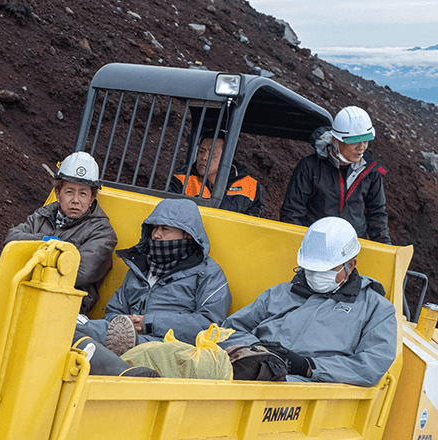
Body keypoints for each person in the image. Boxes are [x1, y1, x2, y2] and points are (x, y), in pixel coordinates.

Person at [222, 217, 397, 386]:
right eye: (310, 268)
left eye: (326, 269)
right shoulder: (280, 293)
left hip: (308, 391)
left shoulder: (376, 309)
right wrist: (257, 350)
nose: (315, 275)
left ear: (350, 265)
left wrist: (307, 367)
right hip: (251, 373)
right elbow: (229, 329)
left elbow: (371, 366)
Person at [75, 198, 231, 354]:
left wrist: (149, 324)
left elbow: (210, 325)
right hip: (122, 338)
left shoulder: (209, 273)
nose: (156, 235)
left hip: (170, 348)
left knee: (84, 334)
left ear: (188, 234)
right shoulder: (140, 267)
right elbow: (113, 311)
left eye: (165, 229)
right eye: (154, 228)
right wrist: (123, 325)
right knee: (79, 329)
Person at [4, 151, 117, 313]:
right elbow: (11, 240)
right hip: (21, 287)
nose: (76, 200)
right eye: (69, 191)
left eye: (83, 193)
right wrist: (50, 241)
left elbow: (78, 273)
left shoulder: (103, 233)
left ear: (92, 198)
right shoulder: (43, 215)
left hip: (62, 305)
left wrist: (33, 249)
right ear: (58, 194)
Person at [280, 106, 391, 244]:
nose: (361, 147)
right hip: (316, 247)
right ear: (335, 141)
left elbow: (377, 213)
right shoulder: (310, 167)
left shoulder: (371, 171)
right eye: (354, 141)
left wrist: (385, 247)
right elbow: (292, 213)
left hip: (352, 249)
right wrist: (296, 245)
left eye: (366, 140)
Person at [168, 130, 264, 216]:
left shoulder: (250, 186)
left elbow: (254, 224)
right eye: (201, 151)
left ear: (227, 158)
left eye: (212, 154)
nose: (204, 157)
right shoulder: (182, 180)